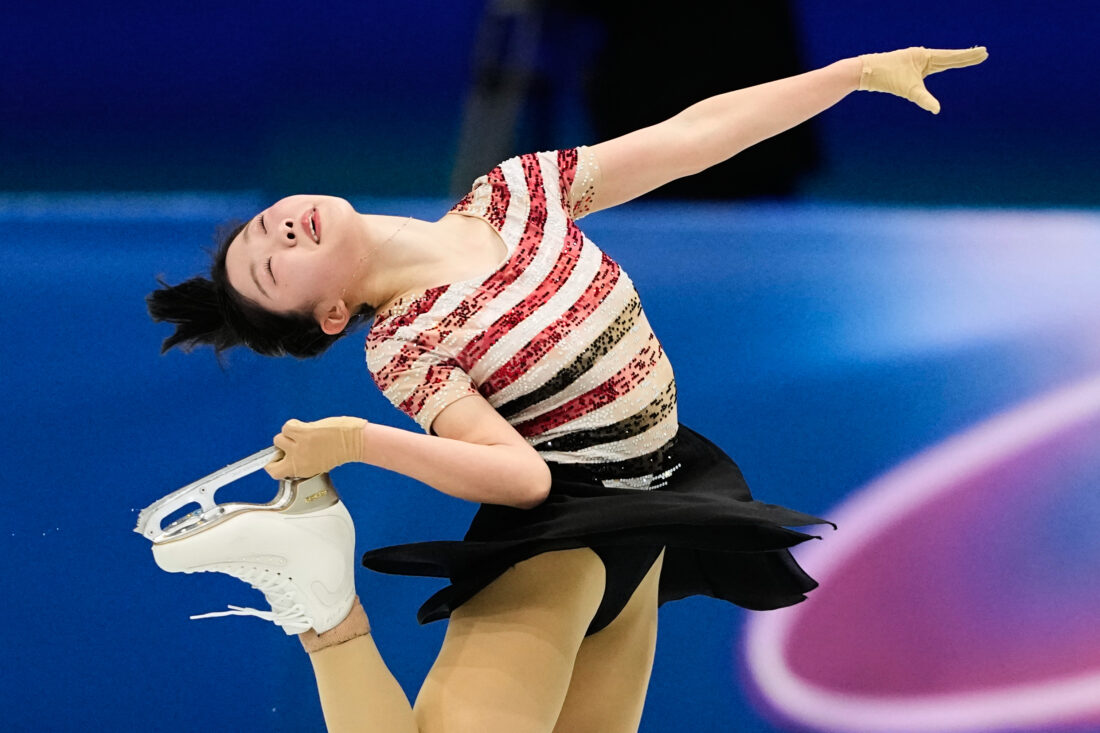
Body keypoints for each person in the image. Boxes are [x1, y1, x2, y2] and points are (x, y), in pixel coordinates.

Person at [146, 46, 988, 733]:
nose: (280, 231)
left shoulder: (514, 193)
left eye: (267, 226)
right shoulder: (405, 341)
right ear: (331, 315)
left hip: (647, 514)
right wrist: (357, 441)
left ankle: (320, 599)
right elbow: (520, 477)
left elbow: (692, 136)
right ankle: (323, 605)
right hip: (560, 540)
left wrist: (847, 74)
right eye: (272, 265)